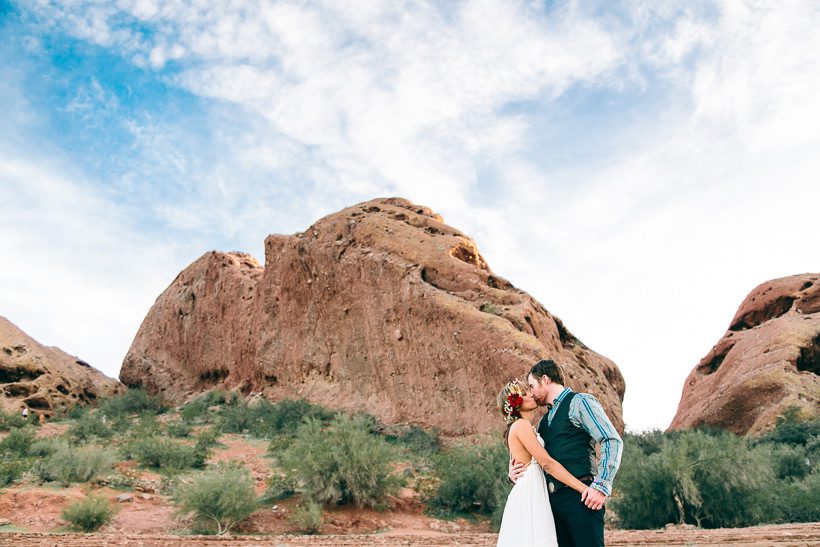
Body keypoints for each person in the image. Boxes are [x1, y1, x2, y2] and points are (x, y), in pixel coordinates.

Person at [509, 359, 623, 547]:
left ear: (544, 379)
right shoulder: (544, 422)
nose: (531, 393)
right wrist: (516, 472)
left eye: (532, 385)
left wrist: (601, 485)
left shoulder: (580, 402)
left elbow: (611, 439)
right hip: (551, 505)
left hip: (581, 498)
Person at [496, 379, 588, 547]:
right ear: (515, 404)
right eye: (524, 394)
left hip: (534, 489)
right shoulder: (521, 425)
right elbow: (547, 463)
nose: (531, 394)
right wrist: (584, 489)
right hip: (530, 493)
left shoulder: (527, 427)